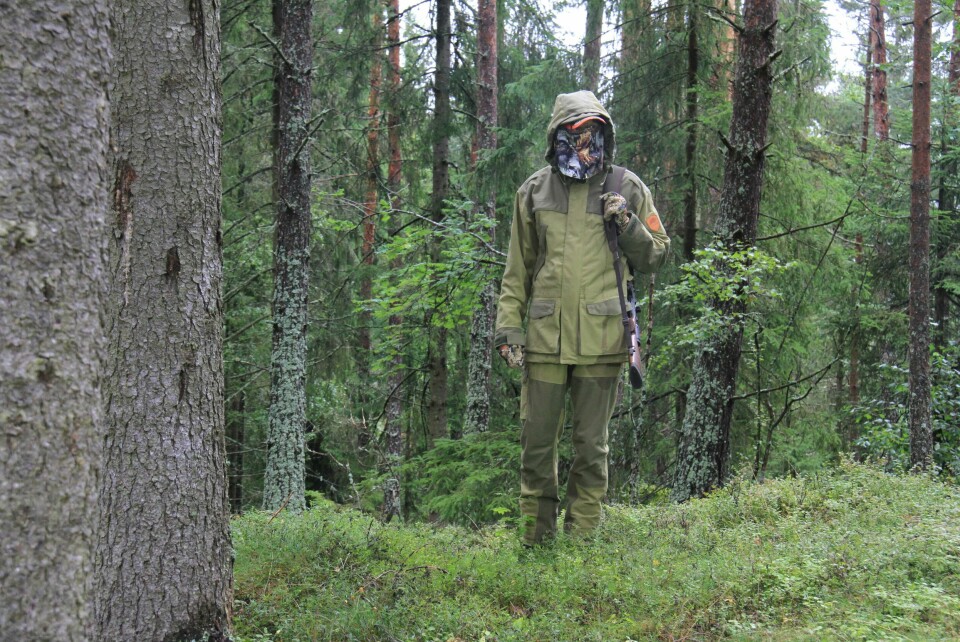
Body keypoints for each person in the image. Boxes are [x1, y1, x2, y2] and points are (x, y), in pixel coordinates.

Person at [494, 90, 670, 545]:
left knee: (591, 451)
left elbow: (655, 256)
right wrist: (508, 331)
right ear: (556, 136)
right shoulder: (533, 192)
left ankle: (580, 553)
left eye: (591, 132)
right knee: (536, 451)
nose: (583, 142)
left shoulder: (626, 186)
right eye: (573, 133)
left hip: (602, 340)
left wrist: (628, 222)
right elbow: (517, 271)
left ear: (604, 131)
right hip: (544, 342)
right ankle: (536, 551)